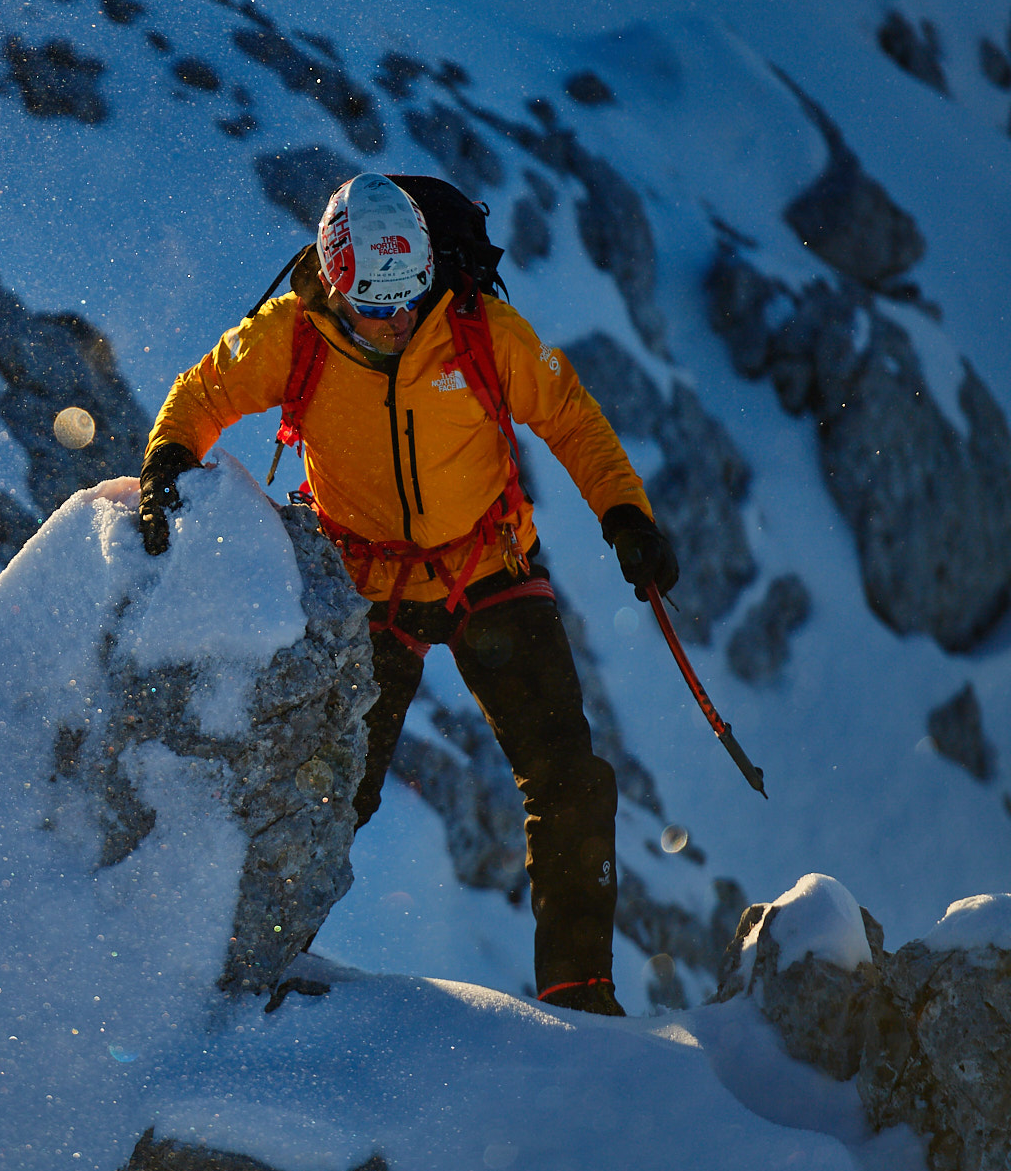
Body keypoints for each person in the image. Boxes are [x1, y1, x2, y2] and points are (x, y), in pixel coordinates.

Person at [137, 173, 677, 1017]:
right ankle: (261, 966)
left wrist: (625, 514)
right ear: (337, 284)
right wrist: (167, 455)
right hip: (368, 580)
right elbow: (205, 392)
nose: (396, 321)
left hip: (487, 562)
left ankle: (581, 998)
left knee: (565, 773)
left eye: (409, 299)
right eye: (376, 308)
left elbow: (569, 415)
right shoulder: (295, 334)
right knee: (334, 785)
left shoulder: (477, 331)